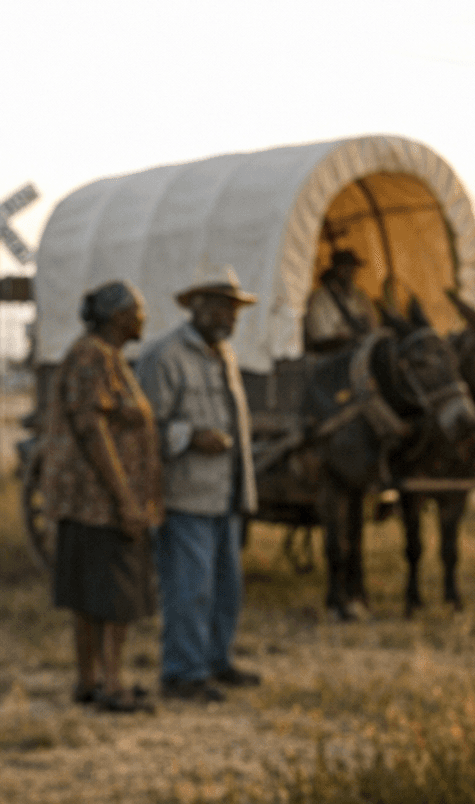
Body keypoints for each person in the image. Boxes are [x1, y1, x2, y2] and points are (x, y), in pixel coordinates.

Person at [137, 265, 262, 703]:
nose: (230, 318)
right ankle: (182, 674)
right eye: (222, 308)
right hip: (185, 494)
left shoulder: (223, 356)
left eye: (234, 310)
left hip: (224, 492)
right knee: (190, 589)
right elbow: (144, 430)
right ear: (197, 307)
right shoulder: (165, 357)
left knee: (226, 587)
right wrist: (190, 437)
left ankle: (214, 662)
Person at [39, 281, 163, 713]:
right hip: (100, 503)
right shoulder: (94, 355)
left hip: (91, 503)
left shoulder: (102, 355)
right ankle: (111, 685)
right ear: (118, 316)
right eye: (138, 310)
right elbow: (94, 431)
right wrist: (126, 499)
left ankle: (90, 682)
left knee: (92, 597)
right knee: (112, 598)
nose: (144, 317)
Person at [303, 248, 379, 354]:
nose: (351, 273)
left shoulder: (360, 295)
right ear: (336, 269)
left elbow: (374, 324)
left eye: (353, 269)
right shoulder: (318, 299)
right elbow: (321, 339)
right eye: (346, 268)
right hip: (337, 357)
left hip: (364, 352)